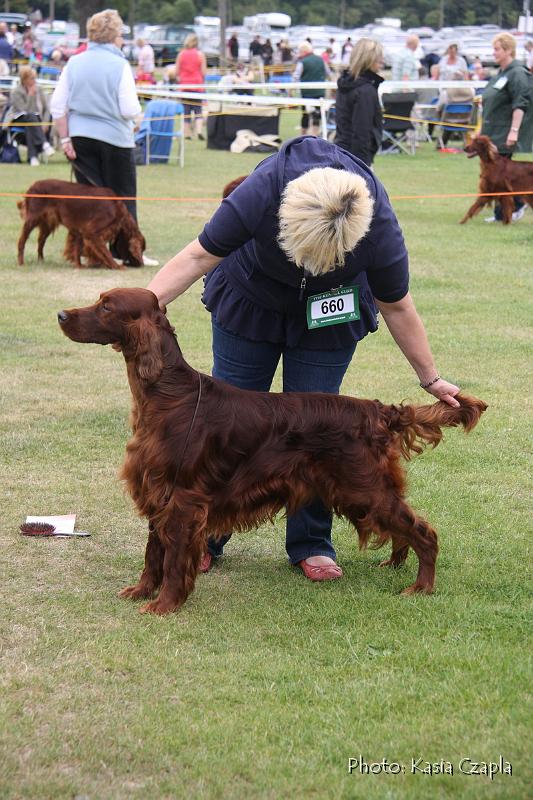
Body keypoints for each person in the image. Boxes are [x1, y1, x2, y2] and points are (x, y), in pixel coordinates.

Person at [146, 136, 461, 580]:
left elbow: (397, 305)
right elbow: (197, 256)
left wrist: (431, 380)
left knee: (319, 429)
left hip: (330, 311)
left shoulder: (379, 228)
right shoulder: (260, 191)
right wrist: (141, 308)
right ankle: (206, 537)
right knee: (224, 423)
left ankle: (311, 542)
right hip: (252, 298)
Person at [50, 9, 158, 267]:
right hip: (116, 140)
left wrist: (65, 140)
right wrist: (138, 117)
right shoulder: (119, 64)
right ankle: (127, 252)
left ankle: (90, 250)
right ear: (113, 36)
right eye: (121, 34)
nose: (122, 39)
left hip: (80, 139)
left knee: (91, 199)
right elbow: (129, 109)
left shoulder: (74, 62)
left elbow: (57, 106)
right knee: (123, 199)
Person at [480, 32, 533, 223]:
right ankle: (503, 212)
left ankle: (514, 208)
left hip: (506, 132)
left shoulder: (518, 73)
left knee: (505, 175)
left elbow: (521, 103)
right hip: (493, 131)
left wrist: (514, 130)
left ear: (509, 50)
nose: (493, 53)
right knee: (498, 175)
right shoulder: (502, 73)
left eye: (497, 49)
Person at [334, 38, 384, 166]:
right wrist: (362, 165)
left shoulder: (346, 84)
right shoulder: (365, 91)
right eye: (378, 57)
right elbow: (362, 131)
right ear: (368, 59)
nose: (382, 61)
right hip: (356, 158)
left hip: (342, 152)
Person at [7, 66, 55, 166]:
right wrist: (30, 96)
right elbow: (23, 110)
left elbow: (46, 109)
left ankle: (33, 157)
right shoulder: (16, 92)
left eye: (35, 78)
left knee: (30, 125)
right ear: (24, 79)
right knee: (30, 117)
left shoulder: (39, 89)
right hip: (19, 119)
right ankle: (44, 143)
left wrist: (45, 123)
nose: (34, 80)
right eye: (32, 78)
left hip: (35, 121)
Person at [176, 33, 206, 141]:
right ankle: (199, 131)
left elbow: (176, 72)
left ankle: (187, 133)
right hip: (197, 85)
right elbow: (203, 72)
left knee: (186, 111)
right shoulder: (200, 54)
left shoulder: (181, 55)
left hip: (185, 86)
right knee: (198, 110)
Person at [293, 41, 326, 136]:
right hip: (320, 92)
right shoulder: (321, 60)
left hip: (306, 93)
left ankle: (303, 136)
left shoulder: (303, 62)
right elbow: (327, 73)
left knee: (305, 115)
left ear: (303, 51)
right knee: (317, 115)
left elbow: (296, 76)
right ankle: (315, 136)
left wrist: (292, 88)